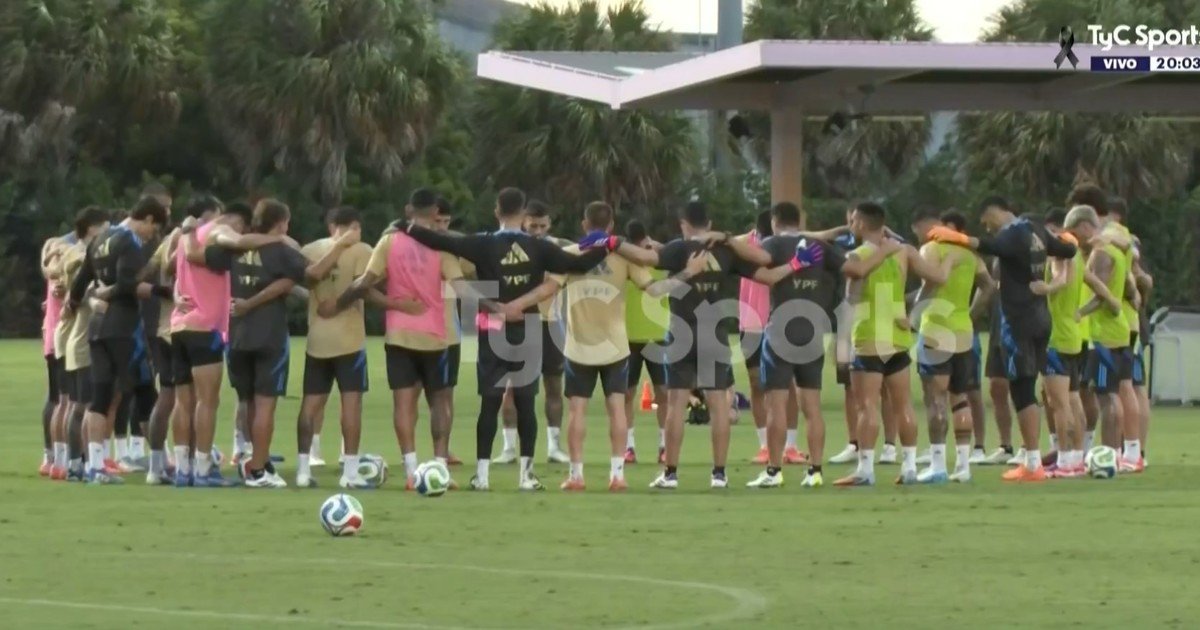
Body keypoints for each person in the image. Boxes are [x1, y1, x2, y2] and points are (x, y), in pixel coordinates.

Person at [393, 187, 609, 491]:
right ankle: (526, 476)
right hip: (529, 323)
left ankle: (481, 476)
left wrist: (405, 226)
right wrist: (609, 243)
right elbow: (579, 264)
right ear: (523, 215)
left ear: (496, 212)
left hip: (491, 322)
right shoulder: (538, 247)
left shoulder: (481, 245)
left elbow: (438, 239)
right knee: (525, 401)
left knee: (490, 401)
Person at [324, 189, 469, 489]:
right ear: (434, 213)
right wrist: (496, 309)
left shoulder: (389, 241)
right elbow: (463, 285)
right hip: (434, 335)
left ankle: (411, 472)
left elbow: (364, 283)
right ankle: (440, 469)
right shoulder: (442, 247)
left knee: (403, 403)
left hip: (399, 334)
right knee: (440, 401)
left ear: (408, 209)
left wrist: (339, 305)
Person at [610, 201, 759, 489]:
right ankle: (719, 474)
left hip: (681, 331)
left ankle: (671, 473)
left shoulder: (678, 249)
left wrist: (612, 242)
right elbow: (762, 263)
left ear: (684, 224)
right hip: (714, 331)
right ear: (710, 222)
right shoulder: (725, 249)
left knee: (676, 404)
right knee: (718, 404)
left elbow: (645, 258)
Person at [928, 196, 1077, 482]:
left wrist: (955, 237)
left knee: (1022, 389)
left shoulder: (1011, 234)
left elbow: (987, 246)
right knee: (1034, 385)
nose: (986, 226)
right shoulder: (1036, 227)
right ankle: (1039, 457)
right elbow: (1067, 250)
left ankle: (1031, 463)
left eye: (986, 220)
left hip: (1017, 321)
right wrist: (1069, 236)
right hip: (1041, 319)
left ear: (995, 212)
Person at [513, 202, 656, 491]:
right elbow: (652, 287)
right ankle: (617, 475)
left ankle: (576, 475)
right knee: (616, 408)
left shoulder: (568, 254)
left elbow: (548, 289)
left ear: (583, 224)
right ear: (611, 225)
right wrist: (686, 276)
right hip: (615, 346)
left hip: (579, 346)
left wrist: (516, 304)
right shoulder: (622, 255)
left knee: (577, 410)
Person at [717, 202, 845, 488]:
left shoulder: (773, 243)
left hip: (781, 330)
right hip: (812, 329)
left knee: (776, 404)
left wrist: (726, 239)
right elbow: (852, 267)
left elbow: (756, 255)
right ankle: (815, 471)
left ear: (774, 221)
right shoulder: (818, 247)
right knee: (812, 407)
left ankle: (774, 471)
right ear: (799, 219)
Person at [834, 202, 958, 486]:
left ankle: (865, 470)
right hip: (899, 339)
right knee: (904, 406)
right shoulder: (905, 251)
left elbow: (851, 300)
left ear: (862, 225)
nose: (851, 226)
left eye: (853, 221)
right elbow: (938, 279)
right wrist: (950, 258)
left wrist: (841, 342)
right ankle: (911, 467)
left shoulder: (857, 255)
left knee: (867, 406)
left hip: (867, 338)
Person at [172, 200, 279, 487]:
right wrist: (275, 239)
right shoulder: (219, 230)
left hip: (179, 326)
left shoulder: (188, 236)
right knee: (208, 401)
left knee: (183, 403)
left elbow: (176, 271)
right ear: (237, 221)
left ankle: (183, 468)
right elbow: (240, 241)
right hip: (204, 326)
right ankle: (204, 469)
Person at [66, 197, 170, 484]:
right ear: (147, 219)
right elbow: (128, 284)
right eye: (155, 228)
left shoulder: (99, 239)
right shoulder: (128, 242)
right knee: (147, 393)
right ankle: (160, 467)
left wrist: (73, 304)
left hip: (97, 328)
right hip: (124, 328)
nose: (152, 236)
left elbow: (81, 281)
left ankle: (95, 468)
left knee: (100, 398)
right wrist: (167, 292)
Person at [224, 200, 309, 488]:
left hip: (235, 333)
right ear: (281, 222)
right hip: (268, 333)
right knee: (265, 404)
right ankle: (258, 471)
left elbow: (201, 255)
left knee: (246, 400)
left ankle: (255, 458)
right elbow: (313, 274)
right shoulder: (281, 250)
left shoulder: (233, 247)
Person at [138, 194, 222, 484]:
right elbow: (171, 267)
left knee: (179, 398)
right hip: (180, 326)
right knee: (183, 399)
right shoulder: (187, 236)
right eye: (215, 217)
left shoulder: (174, 237)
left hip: (171, 326)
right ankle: (183, 464)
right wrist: (170, 292)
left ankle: (171, 465)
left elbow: (152, 270)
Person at [910, 210, 993, 483]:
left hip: (935, 329)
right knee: (960, 398)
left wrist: (915, 313)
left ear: (925, 225)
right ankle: (964, 466)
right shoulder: (969, 254)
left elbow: (932, 282)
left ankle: (936, 465)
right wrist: (971, 312)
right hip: (963, 333)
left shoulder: (930, 250)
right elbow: (989, 286)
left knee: (935, 399)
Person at [296, 206, 375, 488]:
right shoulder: (362, 249)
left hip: (317, 340)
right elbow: (363, 286)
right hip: (350, 340)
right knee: (351, 404)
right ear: (354, 227)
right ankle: (349, 473)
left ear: (331, 226)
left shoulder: (310, 249)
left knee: (310, 405)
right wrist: (339, 305)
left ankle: (303, 470)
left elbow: (304, 281)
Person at [1064, 205, 1142, 473]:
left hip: (1103, 334)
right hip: (1120, 331)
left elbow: (1102, 295)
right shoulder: (1118, 252)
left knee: (1106, 397)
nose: (1076, 240)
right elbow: (1131, 288)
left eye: (1076, 233)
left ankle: (1109, 457)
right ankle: (1121, 453)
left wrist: (1078, 312)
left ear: (1086, 226)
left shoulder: (1100, 254)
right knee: (1118, 391)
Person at [496, 201, 572, 465]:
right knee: (511, 387)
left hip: (551, 323)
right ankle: (508, 448)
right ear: (523, 222)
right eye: (533, 225)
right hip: (519, 322)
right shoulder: (511, 248)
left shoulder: (560, 247)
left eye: (542, 225)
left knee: (553, 385)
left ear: (549, 224)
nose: (538, 230)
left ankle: (554, 446)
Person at [49, 208, 111, 480]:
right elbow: (82, 289)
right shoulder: (83, 255)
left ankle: (72, 462)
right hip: (81, 339)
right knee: (82, 405)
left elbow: (57, 275)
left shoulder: (71, 253)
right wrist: (97, 298)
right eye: (105, 227)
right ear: (91, 228)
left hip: (70, 336)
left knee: (73, 403)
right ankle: (79, 463)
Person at [621, 220, 669, 464]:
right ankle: (629, 447)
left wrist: (661, 248)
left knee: (663, 393)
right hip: (628, 337)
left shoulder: (660, 258)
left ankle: (664, 446)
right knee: (627, 394)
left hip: (658, 334)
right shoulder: (623, 260)